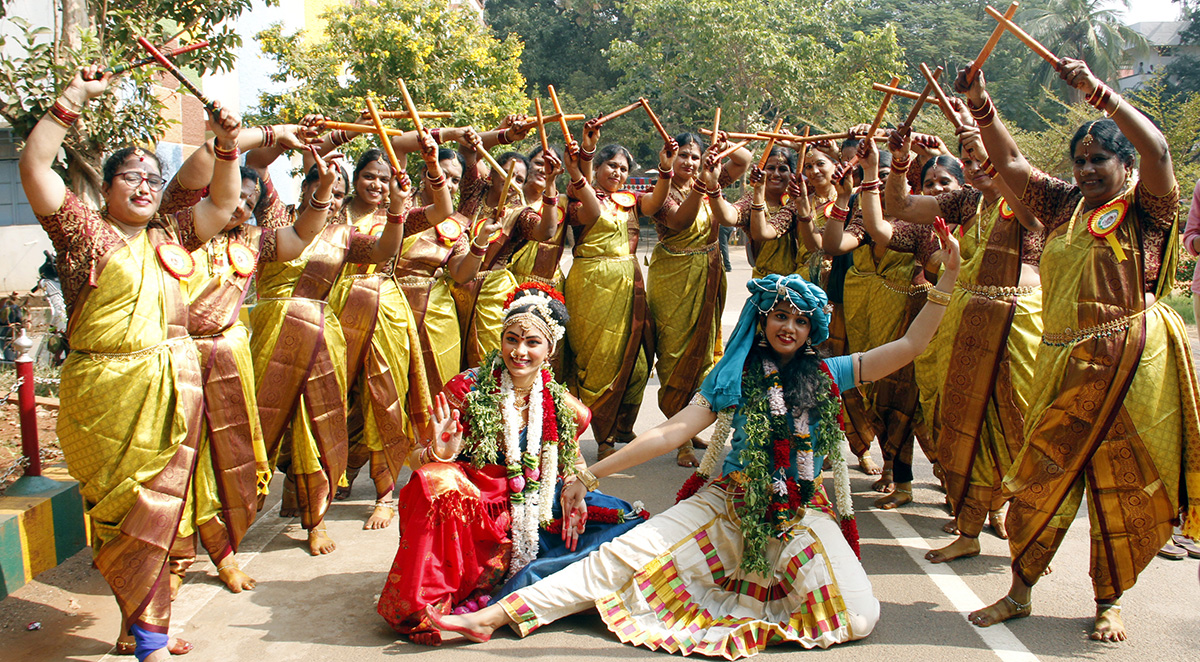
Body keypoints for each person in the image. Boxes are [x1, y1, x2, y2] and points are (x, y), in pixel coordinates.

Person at [423, 222, 962, 656]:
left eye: (800, 322)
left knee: (860, 617)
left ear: (812, 330)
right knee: (623, 556)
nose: (789, 329)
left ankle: (751, 606)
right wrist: (587, 473)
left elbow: (912, 344)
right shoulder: (729, 377)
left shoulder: (831, 372)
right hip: (725, 503)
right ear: (762, 319)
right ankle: (495, 617)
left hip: (801, 512)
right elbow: (670, 432)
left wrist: (947, 283)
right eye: (779, 316)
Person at [958, 58, 1200, 641]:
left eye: (1100, 160)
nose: (1088, 168)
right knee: (1040, 475)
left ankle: (1108, 601)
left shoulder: (1148, 210)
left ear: (1125, 165)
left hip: (1130, 364)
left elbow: (1161, 153)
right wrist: (981, 101)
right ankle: (1019, 593)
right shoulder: (1063, 206)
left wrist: (1100, 95)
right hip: (1063, 364)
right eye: (1081, 160)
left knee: (1118, 482)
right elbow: (1012, 163)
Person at [19, 65, 245, 661]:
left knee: (162, 508)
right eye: (131, 177)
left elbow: (224, 202)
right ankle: (141, 620)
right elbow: (36, 168)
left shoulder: (172, 235)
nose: (144, 186)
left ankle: (147, 631)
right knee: (119, 513)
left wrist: (226, 147)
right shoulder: (85, 234)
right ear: (109, 186)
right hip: (102, 390)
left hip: (169, 388)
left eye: (152, 177)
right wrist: (70, 99)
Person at [376, 283, 647, 645]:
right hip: (478, 510)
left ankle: (529, 588)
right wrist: (439, 453)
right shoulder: (468, 389)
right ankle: (524, 593)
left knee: (628, 525)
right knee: (434, 480)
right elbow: (415, 457)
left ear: (550, 350)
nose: (519, 351)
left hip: (538, 504)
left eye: (532, 343)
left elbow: (573, 462)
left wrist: (575, 489)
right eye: (511, 339)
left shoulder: (562, 404)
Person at [156, 123, 333, 594]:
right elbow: (196, 176)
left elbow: (297, 239)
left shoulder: (253, 241)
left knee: (227, 460)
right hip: (175, 360)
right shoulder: (175, 228)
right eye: (233, 196)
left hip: (231, 356)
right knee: (175, 464)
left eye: (249, 203)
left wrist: (326, 190)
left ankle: (223, 553)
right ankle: (174, 561)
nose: (241, 206)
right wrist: (243, 138)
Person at [883, 118, 1045, 559]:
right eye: (968, 157)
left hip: (1021, 326)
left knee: (1017, 426)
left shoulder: (1029, 197)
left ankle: (1023, 534)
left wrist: (989, 147)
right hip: (965, 323)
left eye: (980, 156)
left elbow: (1026, 207)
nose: (974, 165)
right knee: (965, 424)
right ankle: (970, 533)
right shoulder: (964, 203)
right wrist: (899, 162)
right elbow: (896, 205)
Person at [245, 132, 406, 556]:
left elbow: (387, 249)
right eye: (321, 186)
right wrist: (291, 140)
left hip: (322, 334)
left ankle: (315, 522)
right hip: (271, 334)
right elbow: (255, 162)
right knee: (260, 426)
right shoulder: (276, 220)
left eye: (336, 192)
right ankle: (239, 510)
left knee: (317, 424)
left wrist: (397, 210)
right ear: (304, 187)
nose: (330, 198)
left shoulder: (342, 236)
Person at [326, 132, 449, 530]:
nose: (376, 185)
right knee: (336, 396)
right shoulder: (334, 212)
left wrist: (432, 166)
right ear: (355, 177)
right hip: (337, 307)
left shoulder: (398, 214)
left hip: (385, 307)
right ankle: (334, 476)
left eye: (383, 178)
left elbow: (442, 210)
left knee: (385, 396)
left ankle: (384, 494)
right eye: (368, 177)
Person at [822, 143, 929, 509]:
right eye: (874, 177)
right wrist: (842, 197)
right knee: (864, 389)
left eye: (885, 177)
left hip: (901, 316)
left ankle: (902, 479)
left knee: (900, 395)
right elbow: (834, 244)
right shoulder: (863, 221)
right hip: (859, 311)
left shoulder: (915, 221)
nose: (879, 185)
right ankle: (885, 466)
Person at [564, 127, 674, 460]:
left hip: (629, 286)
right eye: (611, 165)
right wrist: (584, 151)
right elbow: (592, 212)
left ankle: (623, 425)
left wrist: (666, 168)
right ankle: (603, 437)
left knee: (638, 363)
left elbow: (656, 202)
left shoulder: (631, 203)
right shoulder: (579, 197)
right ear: (596, 169)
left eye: (624, 168)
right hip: (590, 286)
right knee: (597, 364)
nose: (618, 172)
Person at [647, 131, 750, 466]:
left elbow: (744, 161)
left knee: (703, 354)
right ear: (669, 158)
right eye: (684, 156)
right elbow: (681, 220)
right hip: (673, 278)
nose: (690, 162)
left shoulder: (709, 176)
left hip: (709, 273)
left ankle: (690, 429)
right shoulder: (660, 192)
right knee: (675, 355)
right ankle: (679, 441)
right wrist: (706, 182)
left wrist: (726, 143)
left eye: (695, 156)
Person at [453, 119, 561, 367]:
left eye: (519, 179)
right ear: (490, 174)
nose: (512, 181)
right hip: (454, 286)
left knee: (487, 362)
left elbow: (546, 231)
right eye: (506, 173)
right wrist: (506, 135)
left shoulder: (519, 214)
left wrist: (551, 186)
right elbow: (468, 149)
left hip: (491, 291)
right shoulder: (473, 190)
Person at [739, 145, 803, 279]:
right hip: (763, 281)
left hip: (798, 279)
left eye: (783, 169)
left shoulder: (799, 202)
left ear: (792, 174)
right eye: (771, 168)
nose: (776, 174)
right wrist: (713, 189)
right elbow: (728, 217)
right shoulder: (751, 199)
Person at [0, 291, 24, 362]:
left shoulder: (4, 307)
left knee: (6, 345)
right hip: (12, 329)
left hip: (4, 329)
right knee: (11, 346)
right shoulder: (15, 307)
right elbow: (19, 318)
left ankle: (9, 361)